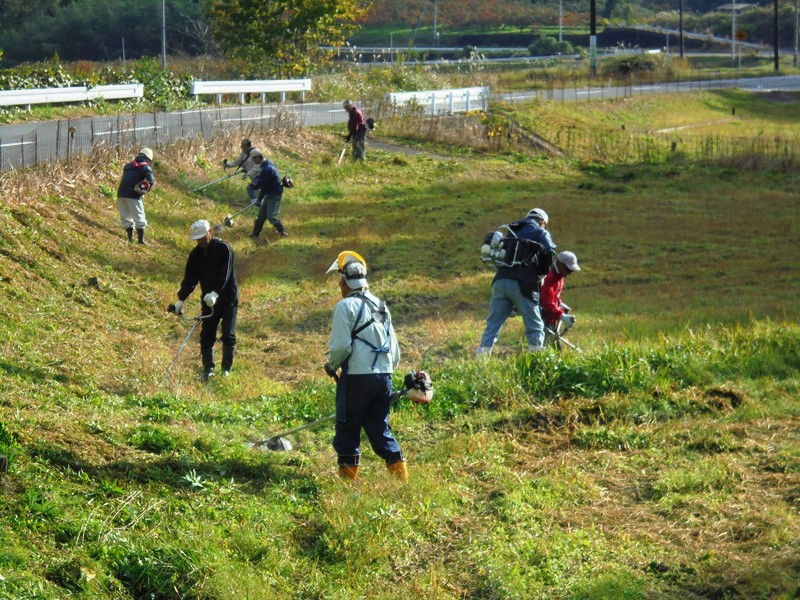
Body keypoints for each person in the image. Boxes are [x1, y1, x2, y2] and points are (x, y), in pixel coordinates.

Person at [324, 251, 407, 482]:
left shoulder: (344, 306)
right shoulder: (381, 305)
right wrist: (384, 374)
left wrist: (332, 366)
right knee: (380, 430)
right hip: (384, 376)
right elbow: (395, 351)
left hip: (357, 378)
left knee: (347, 431)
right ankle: (402, 484)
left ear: (343, 280)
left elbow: (340, 347)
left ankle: (347, 488)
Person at [476, 209, 557, 356]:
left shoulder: (511, 230)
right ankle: (536, 361)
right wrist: (542, 272)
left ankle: (481, 362)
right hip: (523, 282)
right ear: (543, 222)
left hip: (500, 280)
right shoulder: (540, 231)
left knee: (493, 325)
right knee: (535, 326)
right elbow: (550, 250)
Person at [171, 220, 239, 380]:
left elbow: (225, 274)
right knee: (207, 334)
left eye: (203, 237)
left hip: (228, 297)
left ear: (210, 232)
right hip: (208, 300)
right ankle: (208, 368)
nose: (201, 241)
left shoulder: (224, 249)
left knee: (228, 333)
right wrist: (180, 299)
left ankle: (226, 369)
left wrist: (215, 293)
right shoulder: (195, 255)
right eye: (198, 238)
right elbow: (190, 279)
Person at [541, 251, 581, 346]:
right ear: (560, 264)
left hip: (552, 317)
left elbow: (554, 296)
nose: (570, 273)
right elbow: (546, 302)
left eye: (572, 271)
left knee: (555, 348)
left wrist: (560, 304)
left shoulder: (560, 277)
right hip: (543, 317)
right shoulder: (549, 277)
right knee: (549, 348)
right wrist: (562, 316)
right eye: (568, 269)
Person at [116, 147, 155, 244]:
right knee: (139, 217)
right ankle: (140, 240)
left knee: (126, 216)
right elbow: (150, 181)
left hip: (121, 193)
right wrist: (146, 189)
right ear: (148, 159)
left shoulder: (128, 166)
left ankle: (130, 238)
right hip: (134, 194)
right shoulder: (145, 167)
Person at [249, 151, 288, 239]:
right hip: (270, 192)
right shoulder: (267, 164)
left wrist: (259, 200)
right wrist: (256, 185)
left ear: (259, 157)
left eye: (253, 159)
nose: (253, 161)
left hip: (274, 194)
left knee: (271, 216)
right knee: (261, 215)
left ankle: (283, 232)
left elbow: (264, 188)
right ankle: (255, 234)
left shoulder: (266, 169)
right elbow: (263, 181)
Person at [223, 139, 258, 204]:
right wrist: (228, 165)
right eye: (241, 146)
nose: (241, 147)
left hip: (259, 176)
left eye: (242, 146)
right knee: (255, 190)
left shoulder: (255, 153)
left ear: (247, 146)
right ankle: (257, 204)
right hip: (252, 176)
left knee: (250, 188)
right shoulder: (243, 153)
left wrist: (248, 173)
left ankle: (255, 205)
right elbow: (237, 162)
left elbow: (257, 166)